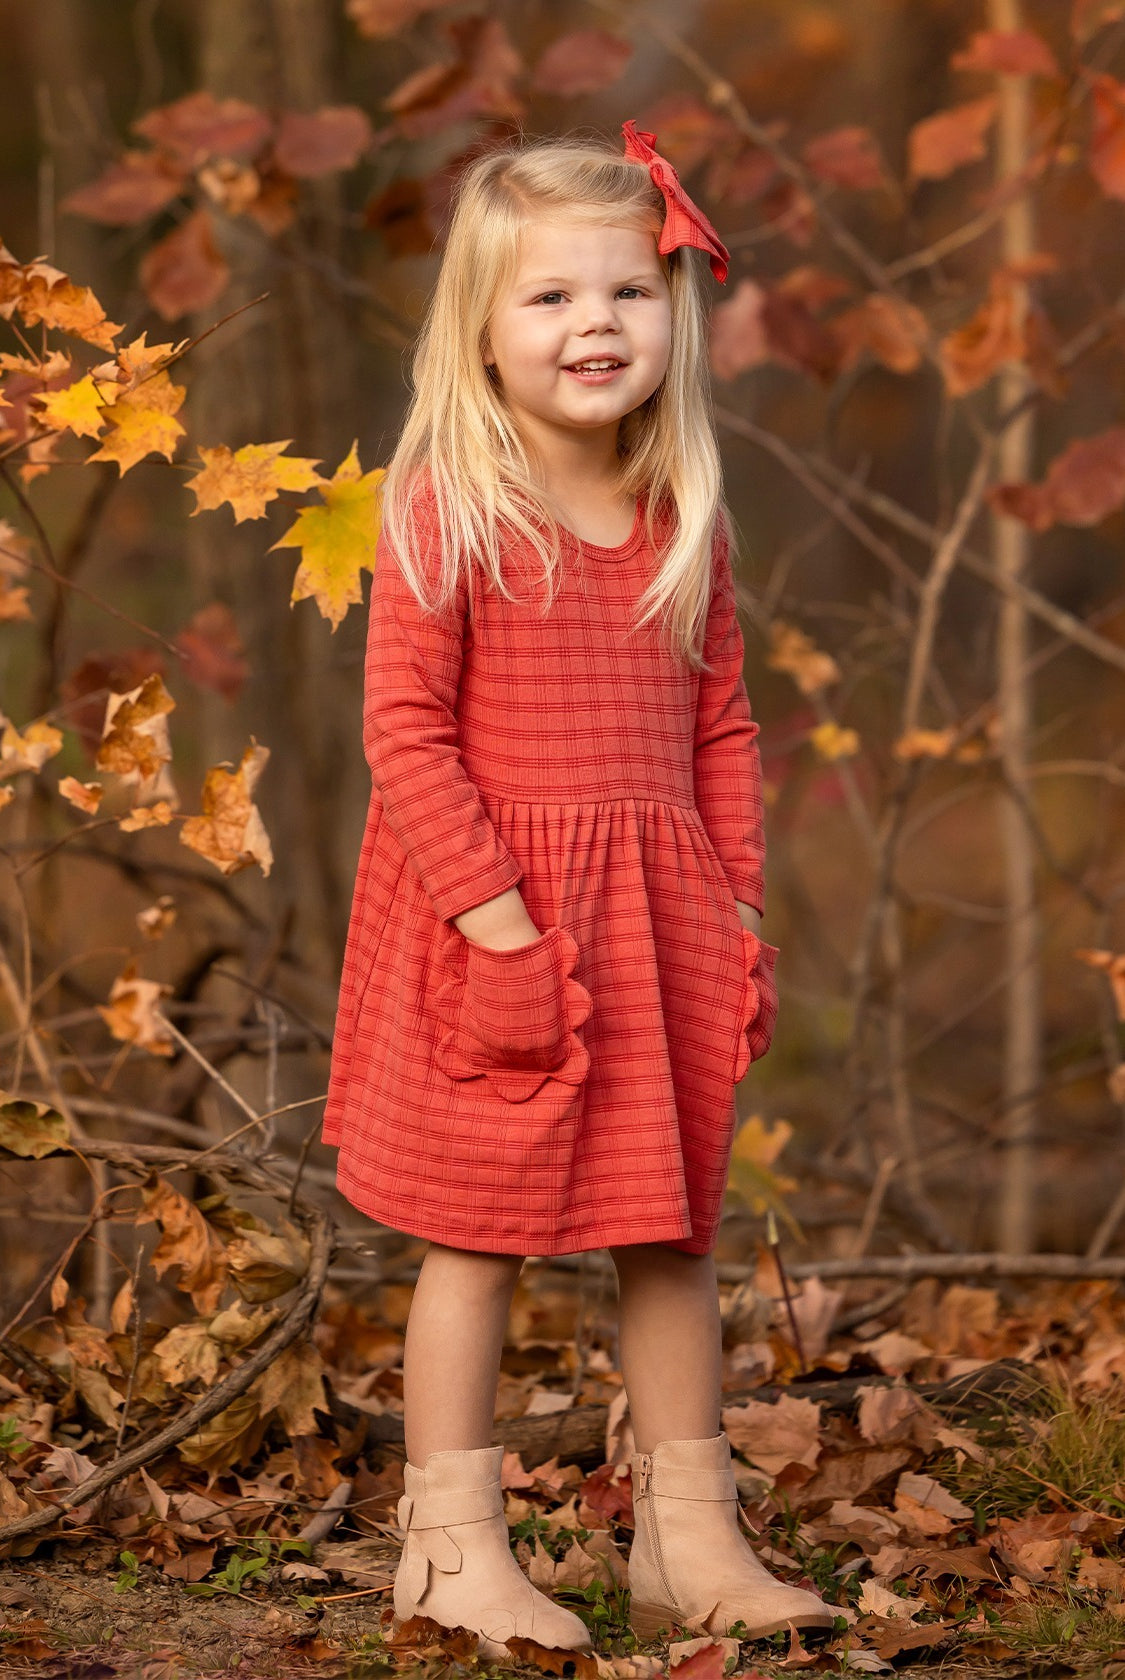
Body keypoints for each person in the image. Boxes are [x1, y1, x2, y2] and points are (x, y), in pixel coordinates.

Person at [320, 119, 834, 1657]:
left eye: (623, 291)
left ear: (669, 312)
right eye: (548, 299)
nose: (593, 325)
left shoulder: (680, 521)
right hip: (499, 927)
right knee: (473, 1237)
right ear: (478, 331)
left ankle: (690, 1544)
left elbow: (723, 726)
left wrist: (736, 911)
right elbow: (401, 738)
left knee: (672, 1234)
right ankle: (449, 1549)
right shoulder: (449, 511)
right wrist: (498, 933)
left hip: (660, 920)